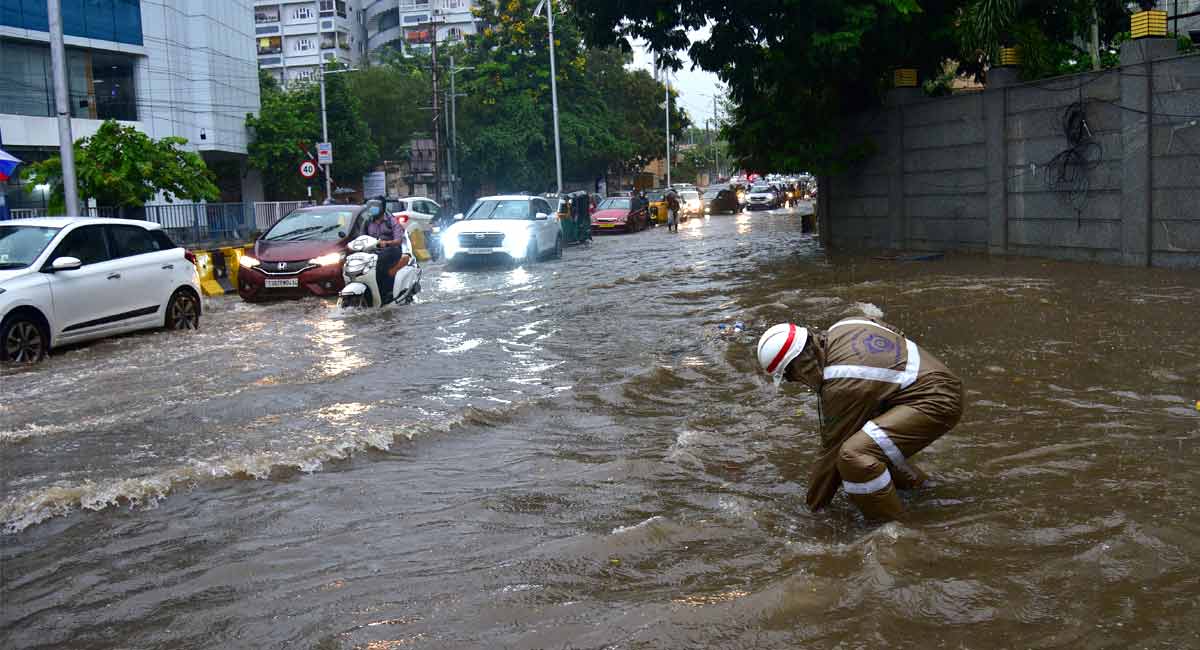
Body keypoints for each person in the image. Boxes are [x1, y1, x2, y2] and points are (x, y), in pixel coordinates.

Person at [756, 317, 963, 520]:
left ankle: (892, 528)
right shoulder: (846, 324)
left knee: (854, 455)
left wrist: (811, 512)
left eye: (790, 377)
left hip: (937, 401)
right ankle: (922, 490)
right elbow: (892, 332)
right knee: (867, 441)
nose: (796, 382)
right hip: (936, 382)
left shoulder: (841, 383)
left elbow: (832, 452)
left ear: (800, 365)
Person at [365, 203, 412, 304]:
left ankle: (387, 294)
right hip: (373, 252)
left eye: (375, 207)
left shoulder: (392, 221)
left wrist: (386, 243)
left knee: (381, 268)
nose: (372, 210)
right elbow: (360, 237)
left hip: (392, 250)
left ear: (381, 208)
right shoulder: (368, 222)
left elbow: (398, 240)